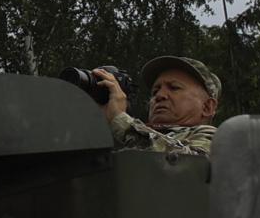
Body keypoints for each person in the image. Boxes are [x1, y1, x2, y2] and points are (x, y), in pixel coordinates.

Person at [88, 54, 221, 158]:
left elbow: (189, 166)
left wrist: (121, 121)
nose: (160, 95)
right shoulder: (127, 135)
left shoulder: (217, 139)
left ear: (207, 107)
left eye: (174, 88)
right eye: (155, 91)